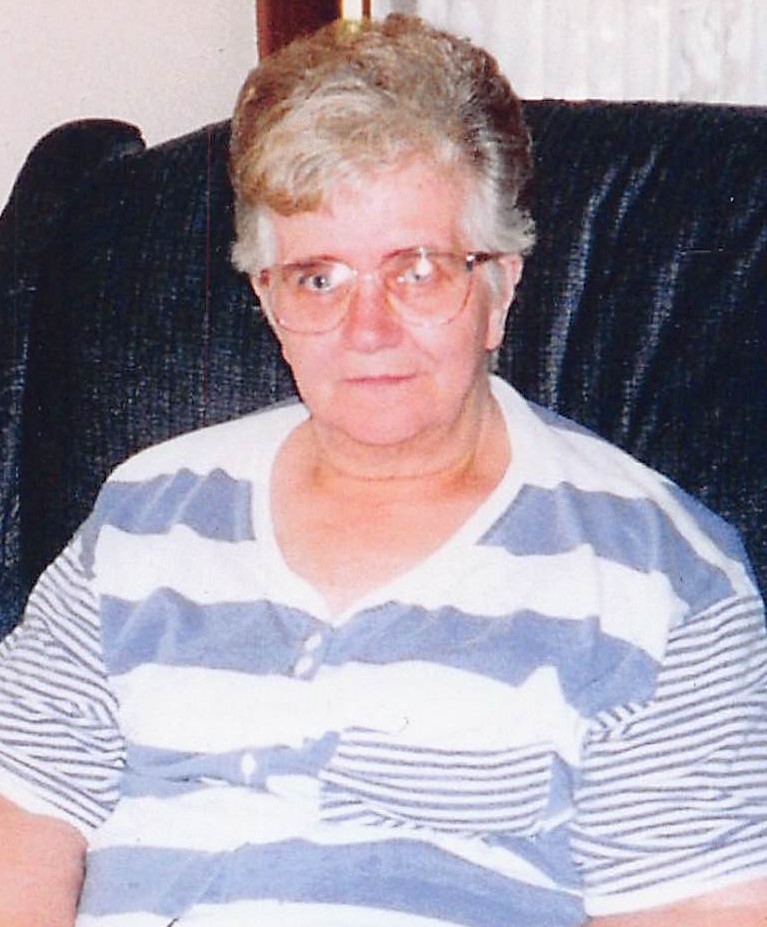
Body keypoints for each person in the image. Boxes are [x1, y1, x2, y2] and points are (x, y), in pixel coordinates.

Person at [1, 13, 767, 927]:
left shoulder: (662, 580)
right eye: (318, 278)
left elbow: (697, 909)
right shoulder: (142, 513)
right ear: (266, 297)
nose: (367, 331)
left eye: (418, 270)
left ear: (500, 285)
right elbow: (21, 819)